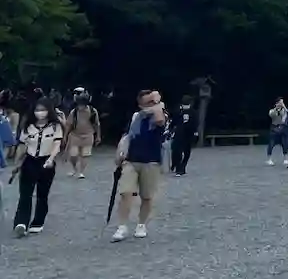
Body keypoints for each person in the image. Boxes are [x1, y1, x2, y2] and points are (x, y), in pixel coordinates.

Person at [112, 90, 168, 242]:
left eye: (152, 102)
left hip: (152, 161)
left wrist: (157, 102)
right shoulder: (136, 117)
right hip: (131, 160)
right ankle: (122, 226)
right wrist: (120, 152)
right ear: (140, 104)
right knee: (125, 193)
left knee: (147, 196)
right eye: (147, 102)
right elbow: (127, 136)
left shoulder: (161, 115)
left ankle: (141, 225)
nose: (150, 105)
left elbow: (159, 121)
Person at [12, 98, 65, 236]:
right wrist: (17, 163)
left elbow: (57, 145)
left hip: (46, 162)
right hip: (29, 161)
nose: (40, 113)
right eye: (37, 110)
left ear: (49, 110)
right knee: (25, 194)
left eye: (43, 110)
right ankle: (21, 222)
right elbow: (22, 146)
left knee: (42, 194)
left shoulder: (55, 126)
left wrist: (51, 159)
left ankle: (38, 222)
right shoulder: (28, 126)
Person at [65, 89, 102, 179]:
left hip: (88, 136)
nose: (80, 107)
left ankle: (81, 172)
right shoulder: (73, 112)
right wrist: (65, 136)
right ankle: (74, 168)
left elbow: (97, 124)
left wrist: (98, 136)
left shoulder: (93, 111)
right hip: (75, 136)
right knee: (73, 155)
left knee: (85, 155)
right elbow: (68, 124)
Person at [169, 96, 198, 176]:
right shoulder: (180, 111)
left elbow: (195, 122)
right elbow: (174, 121)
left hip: (187, 133)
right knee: (178, 150)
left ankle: (181, 167)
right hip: (181, 133)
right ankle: (179, 167)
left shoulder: (191, 112)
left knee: (185, 151)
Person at [267, 98, 288, 166]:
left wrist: (284, 106)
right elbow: (271, 115)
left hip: (282, 127)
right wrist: (276, 108)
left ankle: (285, 159)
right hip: (274, 127)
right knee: (271, 143)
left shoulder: (284, 110)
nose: (280, 104)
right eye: (279, 102)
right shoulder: (272, 110)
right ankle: (269, 159)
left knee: (284, 143)